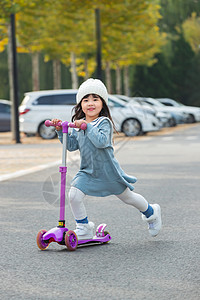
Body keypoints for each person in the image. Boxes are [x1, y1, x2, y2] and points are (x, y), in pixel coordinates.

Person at [52, 78, 162, 240]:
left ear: (103, 103)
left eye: (95, 99)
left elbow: (101, 141)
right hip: (88, 171)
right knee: (73, 195)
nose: (91, 103)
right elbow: (72, 145)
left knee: (128, 197)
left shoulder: (104, 122)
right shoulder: (79, 124)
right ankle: (83, 227)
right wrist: (61, 131)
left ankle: (152, 213)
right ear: (80, 105)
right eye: (86, 100)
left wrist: (86, 126)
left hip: (108, 171)